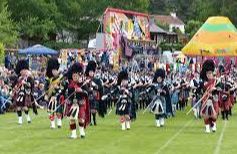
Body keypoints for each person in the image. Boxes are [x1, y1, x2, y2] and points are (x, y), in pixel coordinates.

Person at [66, 63, 90, 139]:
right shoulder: (70, 85)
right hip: (72, 104)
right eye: (73, 76)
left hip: (81, 103)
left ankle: (82, 131)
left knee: (81, 119)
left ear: (79, 76)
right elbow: (68, 93)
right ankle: (73, 134)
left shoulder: (83, 84)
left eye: (76, 76)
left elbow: (87, 93)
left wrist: (81, 90)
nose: (74, 77)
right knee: (72, 119)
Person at [13, 59, 37, 125]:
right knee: (18, 107)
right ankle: (20, 119)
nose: (23, 71)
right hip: (19, 94)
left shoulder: (29, 78)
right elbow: (14, 85)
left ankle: (27, 117)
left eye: (25, 70)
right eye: (22, 70)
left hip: (26, 94)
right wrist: (15, 87)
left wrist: (25, 83)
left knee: (25, 107)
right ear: (20, 71)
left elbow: (31, 85)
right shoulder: (18, 78)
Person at [45, 58, 65, 129]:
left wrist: (57, 91)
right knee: (51, 111)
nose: (53, 72)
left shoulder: (61, 78)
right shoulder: (48, 79)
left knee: (58, 111)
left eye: (55, 70)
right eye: (52, 70)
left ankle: (59, 122)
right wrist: (46, 94)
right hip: (51, 97)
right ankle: (52, 123)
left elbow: (63, 88)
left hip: (58, 97)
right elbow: (46, 88)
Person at [200, 59, 219, 133]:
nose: (209, 75)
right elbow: (201, 89)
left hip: (214, 99)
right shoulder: (204, 82)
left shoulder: (216, 81)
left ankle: (214, 124)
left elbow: (219, 89)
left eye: (210, 73)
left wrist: (215, 89)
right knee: (206, 114)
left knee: (214, 115)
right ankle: (207, 128)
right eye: (207, 73)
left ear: (212, 73)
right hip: (206, 99)